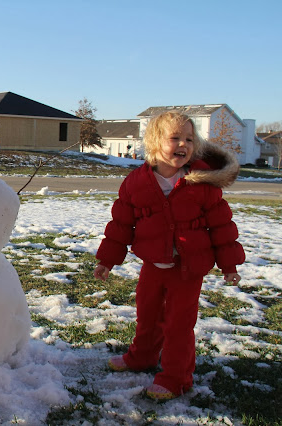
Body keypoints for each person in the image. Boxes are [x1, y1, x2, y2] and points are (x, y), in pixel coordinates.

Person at [93, 111, 245, 401]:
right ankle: (142, 356)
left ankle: (176, 377)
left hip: (188, 269)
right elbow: (121, 225)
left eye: (189, 139)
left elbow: (222, 226)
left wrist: (229, 265)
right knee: (147, 314)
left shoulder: (201, 183)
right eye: (175, 138)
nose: (183, 144)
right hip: (153, 264)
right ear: (154, 142)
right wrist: (107, 260)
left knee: (178, 324)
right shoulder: (136, 182)